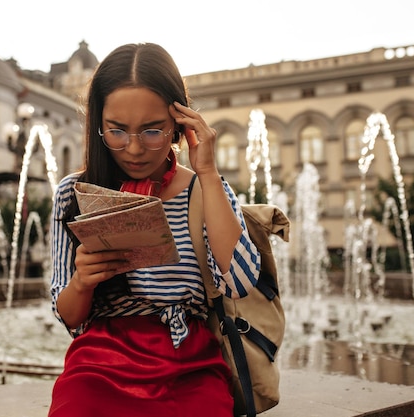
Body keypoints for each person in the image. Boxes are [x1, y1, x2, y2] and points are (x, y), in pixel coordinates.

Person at [48, 43, 261, 417]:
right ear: (98, 124)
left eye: (152, 131)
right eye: (116, 131)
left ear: (179, 123)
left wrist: (208, 174)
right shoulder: (73, 192)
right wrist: (82, 282)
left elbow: (240, 282)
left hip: (190, 363)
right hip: (99, 363)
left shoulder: (204, 188)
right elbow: (69, 316)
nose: (133, 149)